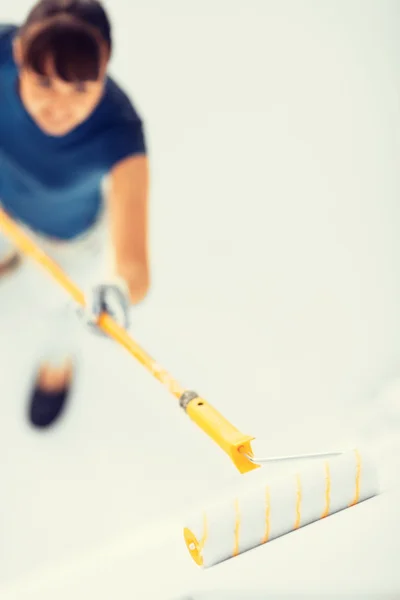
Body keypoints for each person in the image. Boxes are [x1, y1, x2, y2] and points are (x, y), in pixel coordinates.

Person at [0, 0, 150, 428]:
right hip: (4, 206)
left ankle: (57, 365)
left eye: (82, 88)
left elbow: (134, 265)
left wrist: (119, 289)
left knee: (61, 314)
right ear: (18, 53)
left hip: (69, 241)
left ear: (106, 68)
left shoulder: (120, 131)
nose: (59, 106)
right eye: (44, 81)